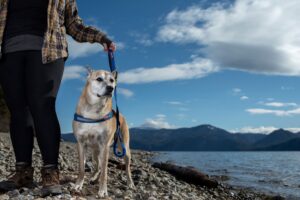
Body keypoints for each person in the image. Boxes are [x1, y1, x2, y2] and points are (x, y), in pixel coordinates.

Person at [0, 0, 116, 196]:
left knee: (42, 105)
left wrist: (101, 37)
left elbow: (74, 25)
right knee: (18, 110)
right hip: (9, 51)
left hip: (49, 50)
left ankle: (51, 172)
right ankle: (23, 172)